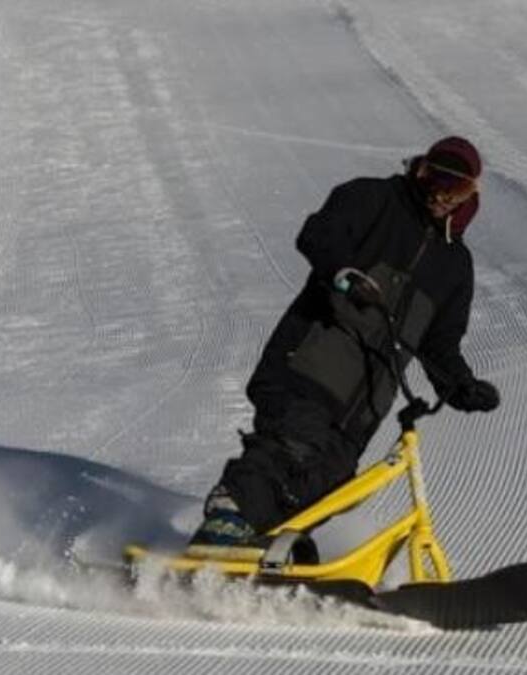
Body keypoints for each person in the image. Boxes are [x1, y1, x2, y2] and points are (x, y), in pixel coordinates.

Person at [188, 136, 500, 557]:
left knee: (335, 478)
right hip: (309, 362)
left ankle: (263, 543)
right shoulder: (374, 198)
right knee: (292, 445)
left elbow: (440, 343)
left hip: (367, 399)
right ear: (420, 169)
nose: (441, 195)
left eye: (455, 188)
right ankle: (231, 514)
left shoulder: (455, 265)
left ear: (471, 194)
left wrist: (460, 384)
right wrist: (342, 272)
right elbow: (319, 234)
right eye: (434, 179)